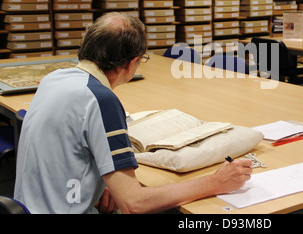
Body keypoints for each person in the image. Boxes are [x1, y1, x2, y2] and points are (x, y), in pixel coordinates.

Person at [14, 12, 253, 214]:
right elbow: (133, 203)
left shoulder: (54, 79)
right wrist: (214, 182)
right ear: (132, 63)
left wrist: (101, 179)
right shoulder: (101, 100)